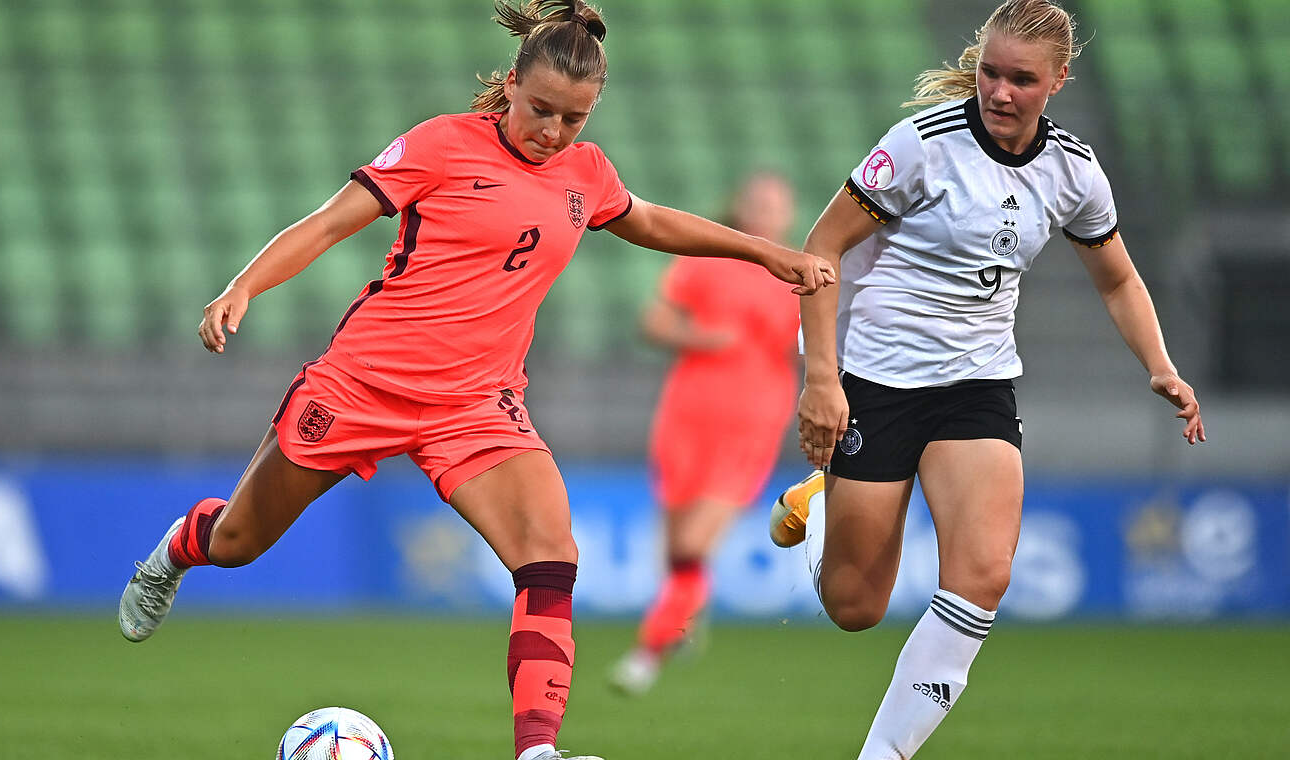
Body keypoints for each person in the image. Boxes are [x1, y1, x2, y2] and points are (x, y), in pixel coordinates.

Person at [116, 3, 834, 760]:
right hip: (362, 384)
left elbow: (650, 221)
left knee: (551, 553)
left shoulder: (586, 175)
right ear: (512, 86)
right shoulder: (441, 145)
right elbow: (329, 222)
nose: (553, 133)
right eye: (542, 111)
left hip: (476, 406)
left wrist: (767, 254)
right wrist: (243, 286)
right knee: (239, 541)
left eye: (574, 119)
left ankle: (537, 751)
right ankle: (175, 552)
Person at [766, 2, 1206, 758]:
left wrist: (1161, 366)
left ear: (1059, 80)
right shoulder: (921, 145)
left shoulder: (1074, 171)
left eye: (1021, 80)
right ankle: (821, 507)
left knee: (984, 577)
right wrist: (821, 379)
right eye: (990, 74)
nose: (1000, 93)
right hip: (879, 379)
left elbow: (1117, 279)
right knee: (854, 606)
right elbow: (821, 248)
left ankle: (884, 754)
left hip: (978, 385)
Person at [608, 171, 802, 695]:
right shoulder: (706, 259)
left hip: (753, 421)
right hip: (687, 413)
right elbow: (653, 322)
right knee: (676, 549)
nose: (765, 211)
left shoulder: (798, 275)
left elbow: (819, 349)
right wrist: (697, 335)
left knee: (694, 544)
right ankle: (686, 614)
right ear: (740, 207)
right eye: (758, 200)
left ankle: (645, 656)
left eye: (775, 204)